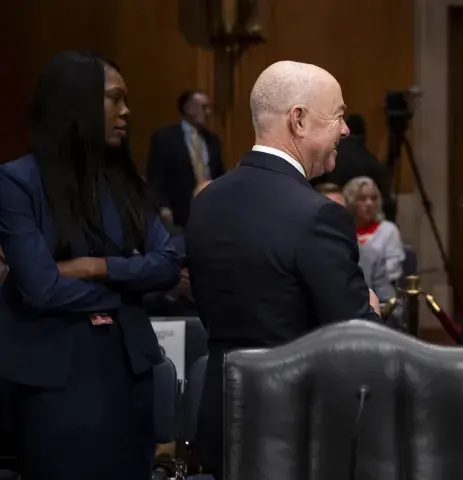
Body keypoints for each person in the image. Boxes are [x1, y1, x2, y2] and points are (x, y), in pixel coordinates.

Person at [185, 60, 381, 476]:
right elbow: (359, 338)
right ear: (299, 120)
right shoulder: (317, 215)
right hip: (296, 433)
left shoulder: (206, 202)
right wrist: (372, 308)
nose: (346, 130)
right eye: (339, 115)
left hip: (222, 421)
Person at [0, 51, 181, 480]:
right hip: (56, 381)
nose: (126, 112)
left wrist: (96, 267)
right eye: (115, 99)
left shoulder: (127, 184)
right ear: (77, 103)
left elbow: (170, 264)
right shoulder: (16, 182)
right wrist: (129, 283)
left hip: (128, 373)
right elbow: (42, 288)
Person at [147, 90, 225, 229]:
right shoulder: (165, 138)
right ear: (188, 108)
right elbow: (155, 178)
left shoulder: (212, 139)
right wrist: (162, 206)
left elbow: (219, 175)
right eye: (204, 107)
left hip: (211, 212)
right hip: (178, 215)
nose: (208, 113)